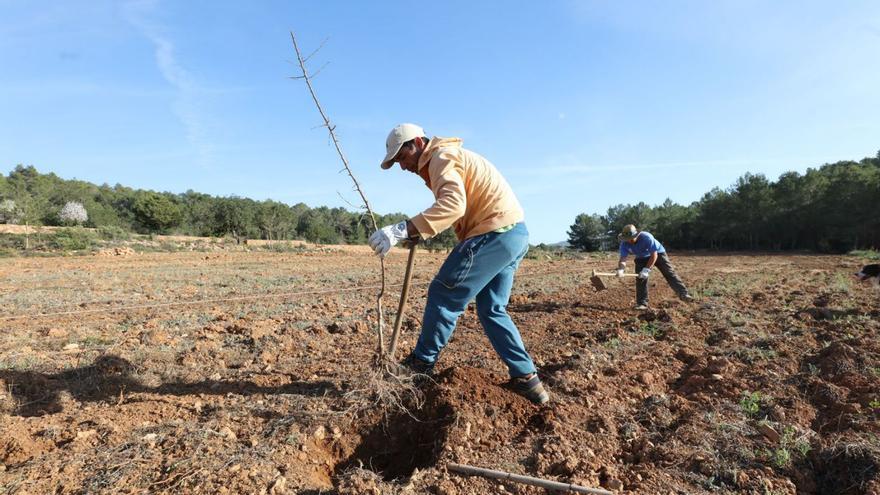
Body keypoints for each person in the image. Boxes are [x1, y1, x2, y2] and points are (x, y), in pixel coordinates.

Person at [367, 123, 549, 405]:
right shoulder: (447, 158)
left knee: (444, 292)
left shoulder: (441, 157)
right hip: (514, 233)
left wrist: (403, 228)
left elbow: (453, 206)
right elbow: (458, 208)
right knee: (492, 309)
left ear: (417, 142)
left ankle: (420, 365)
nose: (402, 167)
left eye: (402, 158)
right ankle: (528, 380)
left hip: (493, 231)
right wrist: (416, 231)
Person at [615, 224, 695, 310]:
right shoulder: (624, 244)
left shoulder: (646, 237)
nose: (629, 241)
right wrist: (621, 269)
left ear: (636, 235)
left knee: (669, 273)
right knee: (640, 279)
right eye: (627, 239)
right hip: (641, 257)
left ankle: (684, 294)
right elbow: (623, 258)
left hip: (658, 254)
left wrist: (646, 269)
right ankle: (642, 304)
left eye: (631, 238)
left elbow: (654, 255)